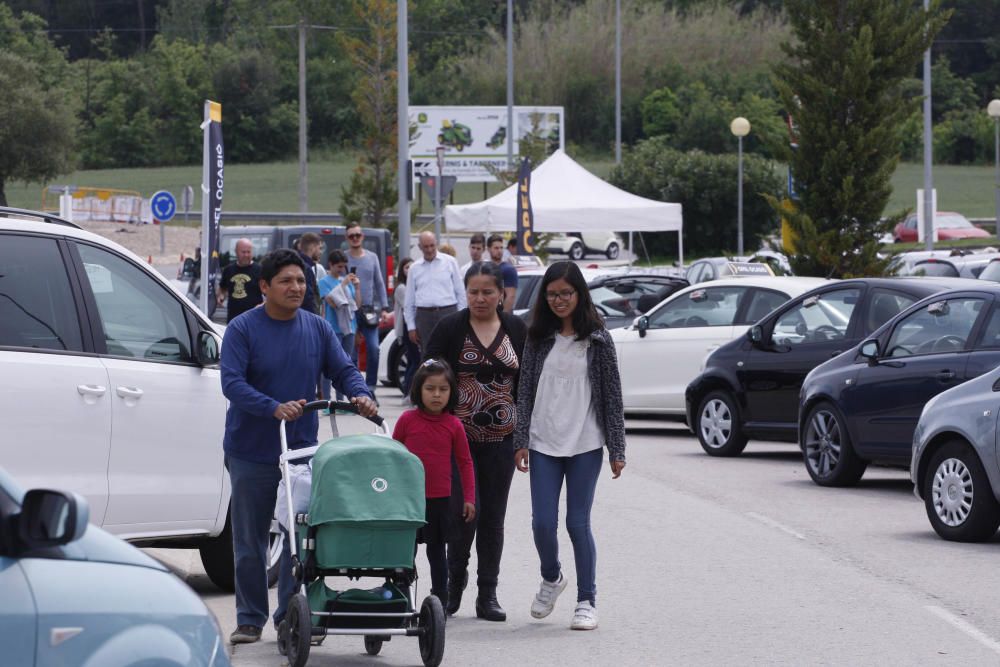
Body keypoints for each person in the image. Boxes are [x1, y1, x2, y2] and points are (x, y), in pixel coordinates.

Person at [220, 248, 377, 645]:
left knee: (299, 536)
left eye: (301, 281)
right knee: (251, 539)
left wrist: (360, 393)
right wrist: (273, 408)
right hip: (251, 449)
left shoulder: (317, 327)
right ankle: (250, 618)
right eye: (286, 281)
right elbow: (232, 383)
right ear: (264, 287)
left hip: (301, 449)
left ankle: (290, 614)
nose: (296, 288)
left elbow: (342, 368)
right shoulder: (242, 329)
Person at [513, 261, 626, 632]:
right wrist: (521, 439)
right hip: (544, 442)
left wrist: (617, 449)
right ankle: (552, 577)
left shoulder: (598, 340)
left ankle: (586, 600)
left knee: (577, 523)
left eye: (566, 293)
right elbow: (524, 391)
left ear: (580, 294)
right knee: (542, 523)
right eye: (552, 294)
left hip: (586, 443)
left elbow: (612, 397)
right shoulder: (536, 338)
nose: (559, 300)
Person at [423, 262, 527, 622]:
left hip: (501, 440)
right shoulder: (450, 327)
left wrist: (523, 437)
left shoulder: (515, 328)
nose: (480, 298)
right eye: (473, 291)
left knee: (493, 518)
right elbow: (428, 377)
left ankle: (488, 593)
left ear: (501, 294)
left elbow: (526, 385)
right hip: (456, 441)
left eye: (487, 292)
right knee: (464, 513)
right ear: (464, 293)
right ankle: (454, 584)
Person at [392, 359, 476, 609]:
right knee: (404, 554)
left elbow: (465, 463)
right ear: (418, 389)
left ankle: (439, 603)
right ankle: (400, 599)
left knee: (437, 553)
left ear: (451, 392)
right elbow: (392, 456)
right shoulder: (407, 420)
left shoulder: (454, 425)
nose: (437, 395)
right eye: (430, 388)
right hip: (408, 501)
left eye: (443, 389)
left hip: (440, 501)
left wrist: (469, 497)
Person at [345, 222, 390, 395]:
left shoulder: (372, 257)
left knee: (374, 348)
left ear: (362, 236)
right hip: (349, 310)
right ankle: (355, 390)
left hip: (369, 310)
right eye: (351, 236)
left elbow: (379, 283)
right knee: (351, 353)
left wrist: (385, 307)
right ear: (347, 239)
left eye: (358, 235)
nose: (355, 238)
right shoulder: (344, 257)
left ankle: (370, 387)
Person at [404, 231, 466, 355]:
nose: (430, 249)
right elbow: (409, 300)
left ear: (436, 244)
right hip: (424, 316)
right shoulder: (414, 268)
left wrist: (461, 317)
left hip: (449, 312)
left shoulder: (450, 262)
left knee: (452, 352)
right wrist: (411, 326)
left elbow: (461, 293)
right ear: (420, 247)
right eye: (426, 246)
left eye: (432, 245)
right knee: (428, 354)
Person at [319, 250, 361, 401]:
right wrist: (343, 285)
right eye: (338, 266)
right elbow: (330, 301)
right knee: (329, 365)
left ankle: (341, 400)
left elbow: (356, 304)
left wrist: (356, 288)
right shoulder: (323, 282)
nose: (341, 270)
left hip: (349, 327)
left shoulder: (346, 281)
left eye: (343, 267)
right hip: (333, 328)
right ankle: (326, 401)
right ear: (331, 265)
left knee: (346, 364)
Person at [393, 257, 421, 401]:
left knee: (412, 360)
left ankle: (409, 392)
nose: (409, 270)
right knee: (415, 360)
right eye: (406, 267)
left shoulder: (413, 286)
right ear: (402, 270)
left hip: (413, 326)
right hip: (407, 327)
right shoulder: (402, 288)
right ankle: (408, 392)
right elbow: (409, 307)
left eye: (412, 267)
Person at [217, 238, 263, 322]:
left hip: (254, 319)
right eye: (243, 252)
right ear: (236, 252)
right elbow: (222, 288)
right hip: (234, 319)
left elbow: (270, 294)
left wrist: (263, 305)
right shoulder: (228, 270)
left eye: (248, 252)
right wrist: (221, 296)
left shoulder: (260, 270)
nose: (246, 255)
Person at [487, 234, 518, 313]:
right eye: (496, 248)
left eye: (501, 248)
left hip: (501, 314)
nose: (499, 251)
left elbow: (511, 296)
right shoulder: (485, 268)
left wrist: (503, 316)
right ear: (489, 249)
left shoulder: (508, 269)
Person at [295, 232, 324, 315]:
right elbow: (308, 300)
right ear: (312, 247)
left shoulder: (298, 264)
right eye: (320, 248)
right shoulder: (305, 269)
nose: (321, 252)